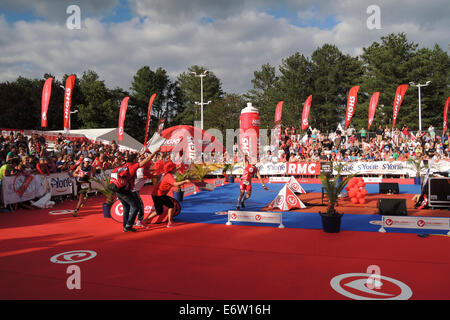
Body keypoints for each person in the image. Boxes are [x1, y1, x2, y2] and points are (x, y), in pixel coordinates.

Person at [112, 152, 156, 232]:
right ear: (134, 160)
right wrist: (155, 151)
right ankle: (129, 225)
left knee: (126, 208)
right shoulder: (133, 166)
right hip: (125, 191)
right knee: (135, 207)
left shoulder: (124, 166)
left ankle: (125, 227)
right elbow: (147, 159)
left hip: (118, 189)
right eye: (137, 159)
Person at [146, 161, 190, 228]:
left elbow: (172, 171)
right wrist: (185, 181)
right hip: (160, 195)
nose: (176, 169)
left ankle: (144, 221)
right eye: (175, 168)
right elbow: (175, 184)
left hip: (155, 194)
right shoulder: (169, 177)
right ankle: (170, 222)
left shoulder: (165, 174)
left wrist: (179, 167)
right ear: (171, 169)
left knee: (159, 211)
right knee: (171, 205)